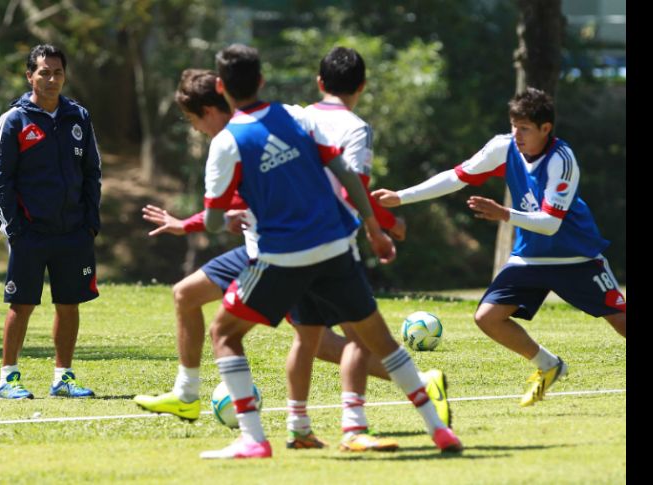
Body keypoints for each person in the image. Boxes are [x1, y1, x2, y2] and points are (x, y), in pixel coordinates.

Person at [133, 69, 444, 452]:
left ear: (215, 102)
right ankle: (191, 394)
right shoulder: (268, 124)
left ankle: (374, 407)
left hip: (282, 252)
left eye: (193, 120)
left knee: (326, 341)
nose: (195, 129)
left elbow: (234, 209)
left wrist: (198, 223)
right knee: (188, 295)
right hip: (269, 246)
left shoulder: (249, 135)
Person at [198, 43, 462, 459]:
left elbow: (213, 220)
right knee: (381, 341)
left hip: (280, 258)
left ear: (220, 86)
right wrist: (374, 228)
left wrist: (229, 220)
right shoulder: (298, 116)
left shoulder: (227, 142)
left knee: (224, 333)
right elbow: (345, 172)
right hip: (335, 248)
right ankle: (439, 431)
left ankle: (253, 438)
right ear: (262, 80)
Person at [373, 87, 626, 407]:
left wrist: (504, 214)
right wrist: (401, 197)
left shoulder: (562, 160)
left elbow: (551, 223)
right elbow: (456, 177)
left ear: (546, 129)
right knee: (487, 317)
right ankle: (549, 365)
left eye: (524, 128)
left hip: (576, 254)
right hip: (531, 257)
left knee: (620, 321)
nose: (516, 134)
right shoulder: (502, 147)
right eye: (513, 126)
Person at [0, 44, 102, 399]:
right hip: (30, 233)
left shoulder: (79, 117)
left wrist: (90, 222)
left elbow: (92, 173)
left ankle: (63, 378)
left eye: (58, 73)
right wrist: (15, 227)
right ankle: (8, 377)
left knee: (69, 304)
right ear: (30, 76)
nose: (51, 79)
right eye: (44, 72)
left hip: (73, 232)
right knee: (21, 304)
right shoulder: (14, 121)